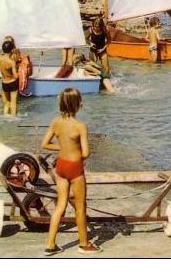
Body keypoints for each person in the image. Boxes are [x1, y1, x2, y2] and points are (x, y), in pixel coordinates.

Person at [41, 88, 101, 255]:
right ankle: (84, 244)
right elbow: (86, 153)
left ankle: (50, 245)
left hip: (61, 166)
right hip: (75, 168)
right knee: (80, 207)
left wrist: (62, 147)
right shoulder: (80, 126)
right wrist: (74, 149)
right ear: (78, 105)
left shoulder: (55, 122)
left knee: (60, 205)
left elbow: (44, 144)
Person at [0, 39, 19, 115]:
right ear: (12, 50)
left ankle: (5, 115)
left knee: (7, 102)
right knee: (13, 102)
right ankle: (13, 118)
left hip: (4, 82)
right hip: (12, 82)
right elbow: (15, 76)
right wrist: (20, 73)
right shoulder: (11, 62)